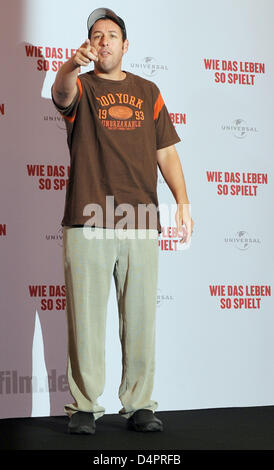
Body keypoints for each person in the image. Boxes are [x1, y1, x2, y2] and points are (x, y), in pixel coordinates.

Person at [51, 7, 194, 435]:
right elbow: (60, 94)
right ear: (90, 46)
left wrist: (182, 201)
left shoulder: (149, 91)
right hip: (88, 217)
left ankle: (139, 405)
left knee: (140, 320)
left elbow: (165, 151)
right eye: (97, 34)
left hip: (139, 218)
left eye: (112, 34)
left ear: (125, 45)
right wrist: (69, 65)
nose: (104, 40)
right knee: (86, 321)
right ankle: (83, 407)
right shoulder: (81, 86)